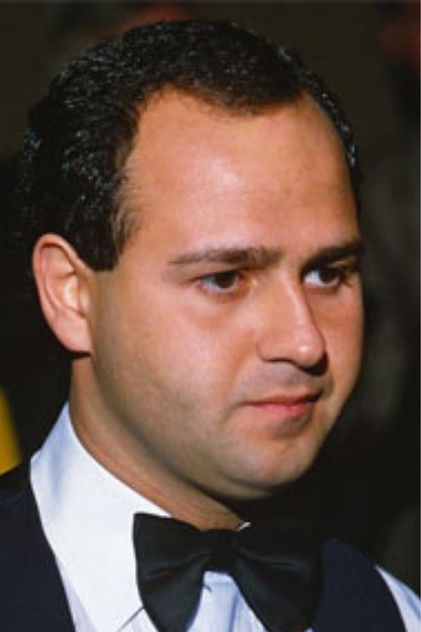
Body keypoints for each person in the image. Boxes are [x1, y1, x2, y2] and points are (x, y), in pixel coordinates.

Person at [1, 20, 419, 632]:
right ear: (71, 295)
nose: (304, 341)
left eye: (327, 273)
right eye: (225, 279)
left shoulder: (392, 613)